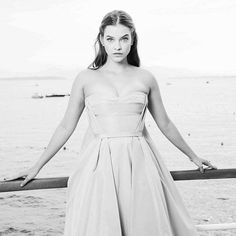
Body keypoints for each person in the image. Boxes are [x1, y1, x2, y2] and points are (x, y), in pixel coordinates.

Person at [4, 10, 217, 236]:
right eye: (111, 39)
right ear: (102, 41)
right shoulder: (85, 78)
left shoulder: (145, 78)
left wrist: (193, 156)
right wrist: (36, 166)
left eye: (124, 38)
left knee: (144, 226)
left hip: (141, 166)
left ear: (133, 40)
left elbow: (165, 123)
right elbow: (66, 126)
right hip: (99, 166)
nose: (118, 46)